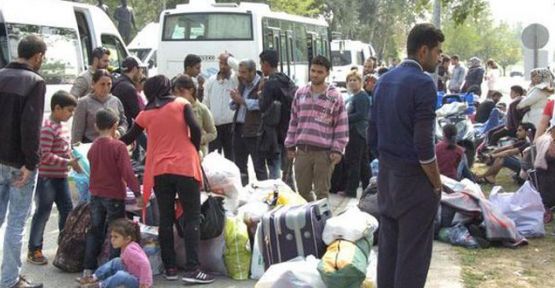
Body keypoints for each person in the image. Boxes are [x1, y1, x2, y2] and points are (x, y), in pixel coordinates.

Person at [369, 23, 444, 288]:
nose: (440, 58)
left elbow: (372, 137)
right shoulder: (423, 83)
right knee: (412, 260)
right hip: (414, 183)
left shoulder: (384, 80)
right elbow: (424, 147)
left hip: (387, 180)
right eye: (438, 52)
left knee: (388, 256)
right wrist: (436, 183)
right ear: (423, 51)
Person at [120, 76, 214, 284]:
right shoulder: (181, 104)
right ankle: (193, 269)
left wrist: (107, 141)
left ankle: (170, 267)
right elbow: (196, 130)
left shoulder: (145, 114)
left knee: (165, 218)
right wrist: (193, 146)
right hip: (185, 167)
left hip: (160, 171)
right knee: (191, 217)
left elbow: (128, 137)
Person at [0, 34, 46, 288]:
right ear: (37, 56)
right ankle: (9, 281)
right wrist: (31, 163)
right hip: (20, 164)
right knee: (16, 224)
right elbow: (31, 128)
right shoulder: (34, 82)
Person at [80, 109, 142, 282]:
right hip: (114, 194)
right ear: (115, 125)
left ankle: (88, 269)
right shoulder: (118, 146)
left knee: (95, 230)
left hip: (95, 194)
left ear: (95, 126)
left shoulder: (93, 147)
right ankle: (111, 269)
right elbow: (128, 173)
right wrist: (137, 193)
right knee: (117, 233)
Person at [27, 91, 81, 266]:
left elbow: (65, 149)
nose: (71, 114)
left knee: (67, 210)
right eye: (69, 110)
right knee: (43, 212)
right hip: (46, 178)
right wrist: (68, 162)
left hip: (61, 177)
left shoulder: (63, 126)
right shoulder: (47, 127)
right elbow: (44, 155)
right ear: (57, 108)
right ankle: (34, 249)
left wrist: (75, 159)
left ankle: (64, 245)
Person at [285, 55, 349, 201]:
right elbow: (294, 121)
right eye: (313, 70)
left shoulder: (335, 96)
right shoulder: (300, 93)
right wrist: (290, 145)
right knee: (302, 193)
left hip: (324, 154)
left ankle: (322, 222)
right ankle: (309, 221)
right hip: (302, 152)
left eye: (319, 72)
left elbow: (341, 125)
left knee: (322, 194)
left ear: (327, 73)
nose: (315, 74)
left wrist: (337, 150)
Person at [79, 219, 152, 288]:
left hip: (139, 282)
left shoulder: (130, 250)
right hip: (131, 273)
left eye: (116, 237)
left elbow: (145, 264)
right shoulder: (126, 246)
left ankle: (101, 285)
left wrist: (144, 283)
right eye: (111, 236)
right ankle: (94, 277)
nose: (112, 240)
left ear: (127, 239)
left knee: (121, 275)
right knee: (116, 261)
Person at [331, 69, 370, 198]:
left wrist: (344, 118)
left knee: (354, 162)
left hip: (357, 133)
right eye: (350, 81)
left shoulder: (362, 96)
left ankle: (351, 190)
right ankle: (367, 188)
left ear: (360, 82)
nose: (352, 83)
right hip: (354, 132)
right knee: (363, 162)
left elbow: (361, 115)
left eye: (355, 80)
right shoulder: (353, 97)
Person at [258, 49, 294, 181]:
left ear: (266, 64)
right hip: (287, 128)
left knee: (274, 165)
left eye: (261, 64)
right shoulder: (287, 80)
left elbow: (262, 106)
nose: (261, 68)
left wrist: (260, 92)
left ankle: (276, 195)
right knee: (287, 168)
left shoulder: (270, 84)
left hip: (272, 131)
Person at [229, 59, 264, 185]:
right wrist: (234, 99)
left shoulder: (262, 83)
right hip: (238, 128)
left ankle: (264, 196)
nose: (241, 75)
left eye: (244, 72)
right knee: (239, 167)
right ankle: (243, 194)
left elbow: (261, 105)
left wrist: (241, 100)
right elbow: (233, 106)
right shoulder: (242, 83)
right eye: (240, 72)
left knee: (259, 167)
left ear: (252, 72)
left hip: (254, 131)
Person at [72, 69, 128, 144]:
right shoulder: (84, 103)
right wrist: (76, 148)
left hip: (113, 144)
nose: (105, 88)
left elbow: (124, 122)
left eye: (109, 84)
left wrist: (120, 131)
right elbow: (77, 130)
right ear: (93, 84)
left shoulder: (116, 101)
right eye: (102, 84)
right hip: (91, 145)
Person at [172, 74, 217, 157]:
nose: (178, 96)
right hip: (178, 154)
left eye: (182, 92)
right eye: (176, 93)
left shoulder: (202, 109)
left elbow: (213, 133)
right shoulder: (173, 108)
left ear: (191, 90)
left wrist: (199, 139)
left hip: (197, 154)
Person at [204, 52, 238, 160]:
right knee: (213, 160)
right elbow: (206, 103)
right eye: (221, 63)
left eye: (226, 64)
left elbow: (238, 67)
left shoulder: (235, 79)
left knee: (231, 158)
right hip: (214, 127)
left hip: (231, 127)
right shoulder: (211, 80)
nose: (223, 66)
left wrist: (229, 59)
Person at [111, 56, 143, 129]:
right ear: (135, 69)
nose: (141, 75)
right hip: (124, 129)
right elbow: (137, 114)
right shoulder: (129, 88)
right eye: (141, 70)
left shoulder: (115, 82)